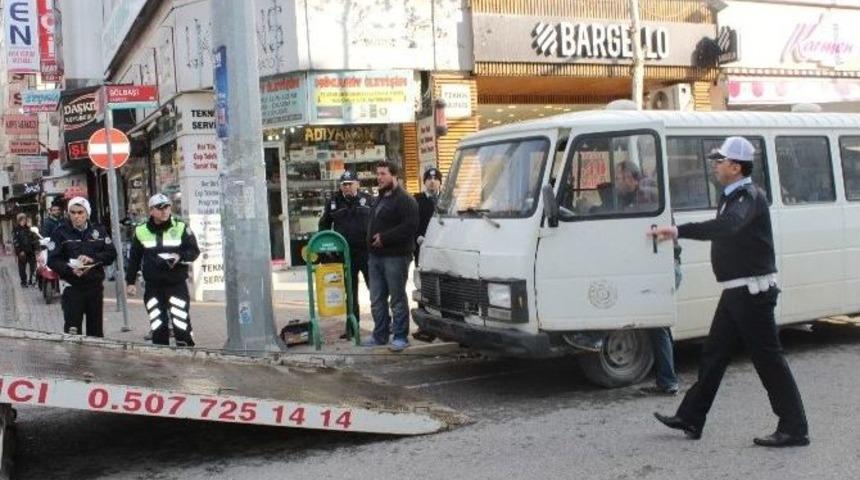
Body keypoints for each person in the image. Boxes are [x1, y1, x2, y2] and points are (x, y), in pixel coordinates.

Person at [648, 137, 809, 447]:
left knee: (769, 361)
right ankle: (691, 416)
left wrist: (680, 230)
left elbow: (728, 226)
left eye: (719, 161)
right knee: (713, 355)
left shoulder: (749, 196)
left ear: (735, 167)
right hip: (737, 292)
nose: (715, 166)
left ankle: (794, 428)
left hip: (752, 293)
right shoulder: (731, 194)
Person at [125, 194, 201, 347]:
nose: (164, 211)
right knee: (157, 320)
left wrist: (179, 256)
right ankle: (161, 353)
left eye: (167, 207)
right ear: (151, 211)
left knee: (180, 320)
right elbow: (134, 258)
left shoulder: (180, 226)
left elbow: (194, 251)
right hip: (153, 285)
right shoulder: (141, 230)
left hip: (176, 283)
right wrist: (130, 282)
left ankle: (186, 351)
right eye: (160, 208)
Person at [364, 161, 419, 352]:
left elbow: (410, 227)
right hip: (375, 257)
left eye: (383, 174)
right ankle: (380, 335)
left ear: (394, 175)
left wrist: (385, 238)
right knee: (376, 298)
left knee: (396, 298)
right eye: (377, 174)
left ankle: (401, 336)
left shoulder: (406, 200)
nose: (379, 177)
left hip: (395, 257)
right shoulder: (379, 198)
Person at [47, 197, 117, 337]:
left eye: (80, 212)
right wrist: (69, 269)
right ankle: (76, 359)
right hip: (72, 287)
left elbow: (111, 254)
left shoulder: (99, 231)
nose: (76, 216)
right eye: (73, 212)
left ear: (87, 213)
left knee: (96, 332)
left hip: (94, 287)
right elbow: (52, 260)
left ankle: (94, 358)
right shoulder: (60, 232)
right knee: (72, 332)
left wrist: (93, 259)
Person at [318, 170, 373, 339]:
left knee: (376, 289)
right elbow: (324, 225)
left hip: (366, 253)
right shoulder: (333, 202)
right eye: (344, 184)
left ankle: (384, 324)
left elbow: (379, 221)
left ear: (357, 184)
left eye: (350, 184)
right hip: (345, 254)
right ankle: (351, 328)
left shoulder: (368, 200)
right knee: (350, 292)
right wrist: (327, 251)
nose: (347, 187)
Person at [413, 167, 442, 266]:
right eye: (429, 179)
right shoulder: (416, 200)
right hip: (422, 245)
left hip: (442, 246)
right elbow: (410, 222)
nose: (432, 182)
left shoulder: (446, 200)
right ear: (424, 182)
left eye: (436, 179)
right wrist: (417, 237)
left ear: (440, 182)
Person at [12, 213, 37, 287]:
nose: (23, 221)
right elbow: (15, 242)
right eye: (22, 220)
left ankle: (32, 281)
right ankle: (23, 282)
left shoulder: (29, 228)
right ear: (19, 221)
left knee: (33, 267)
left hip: (30, 251)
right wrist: (19, 251)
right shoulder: (16, 229)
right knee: (22, 269)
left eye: (24, 219)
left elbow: (34, 239)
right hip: (22, 252)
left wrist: (35, 248)